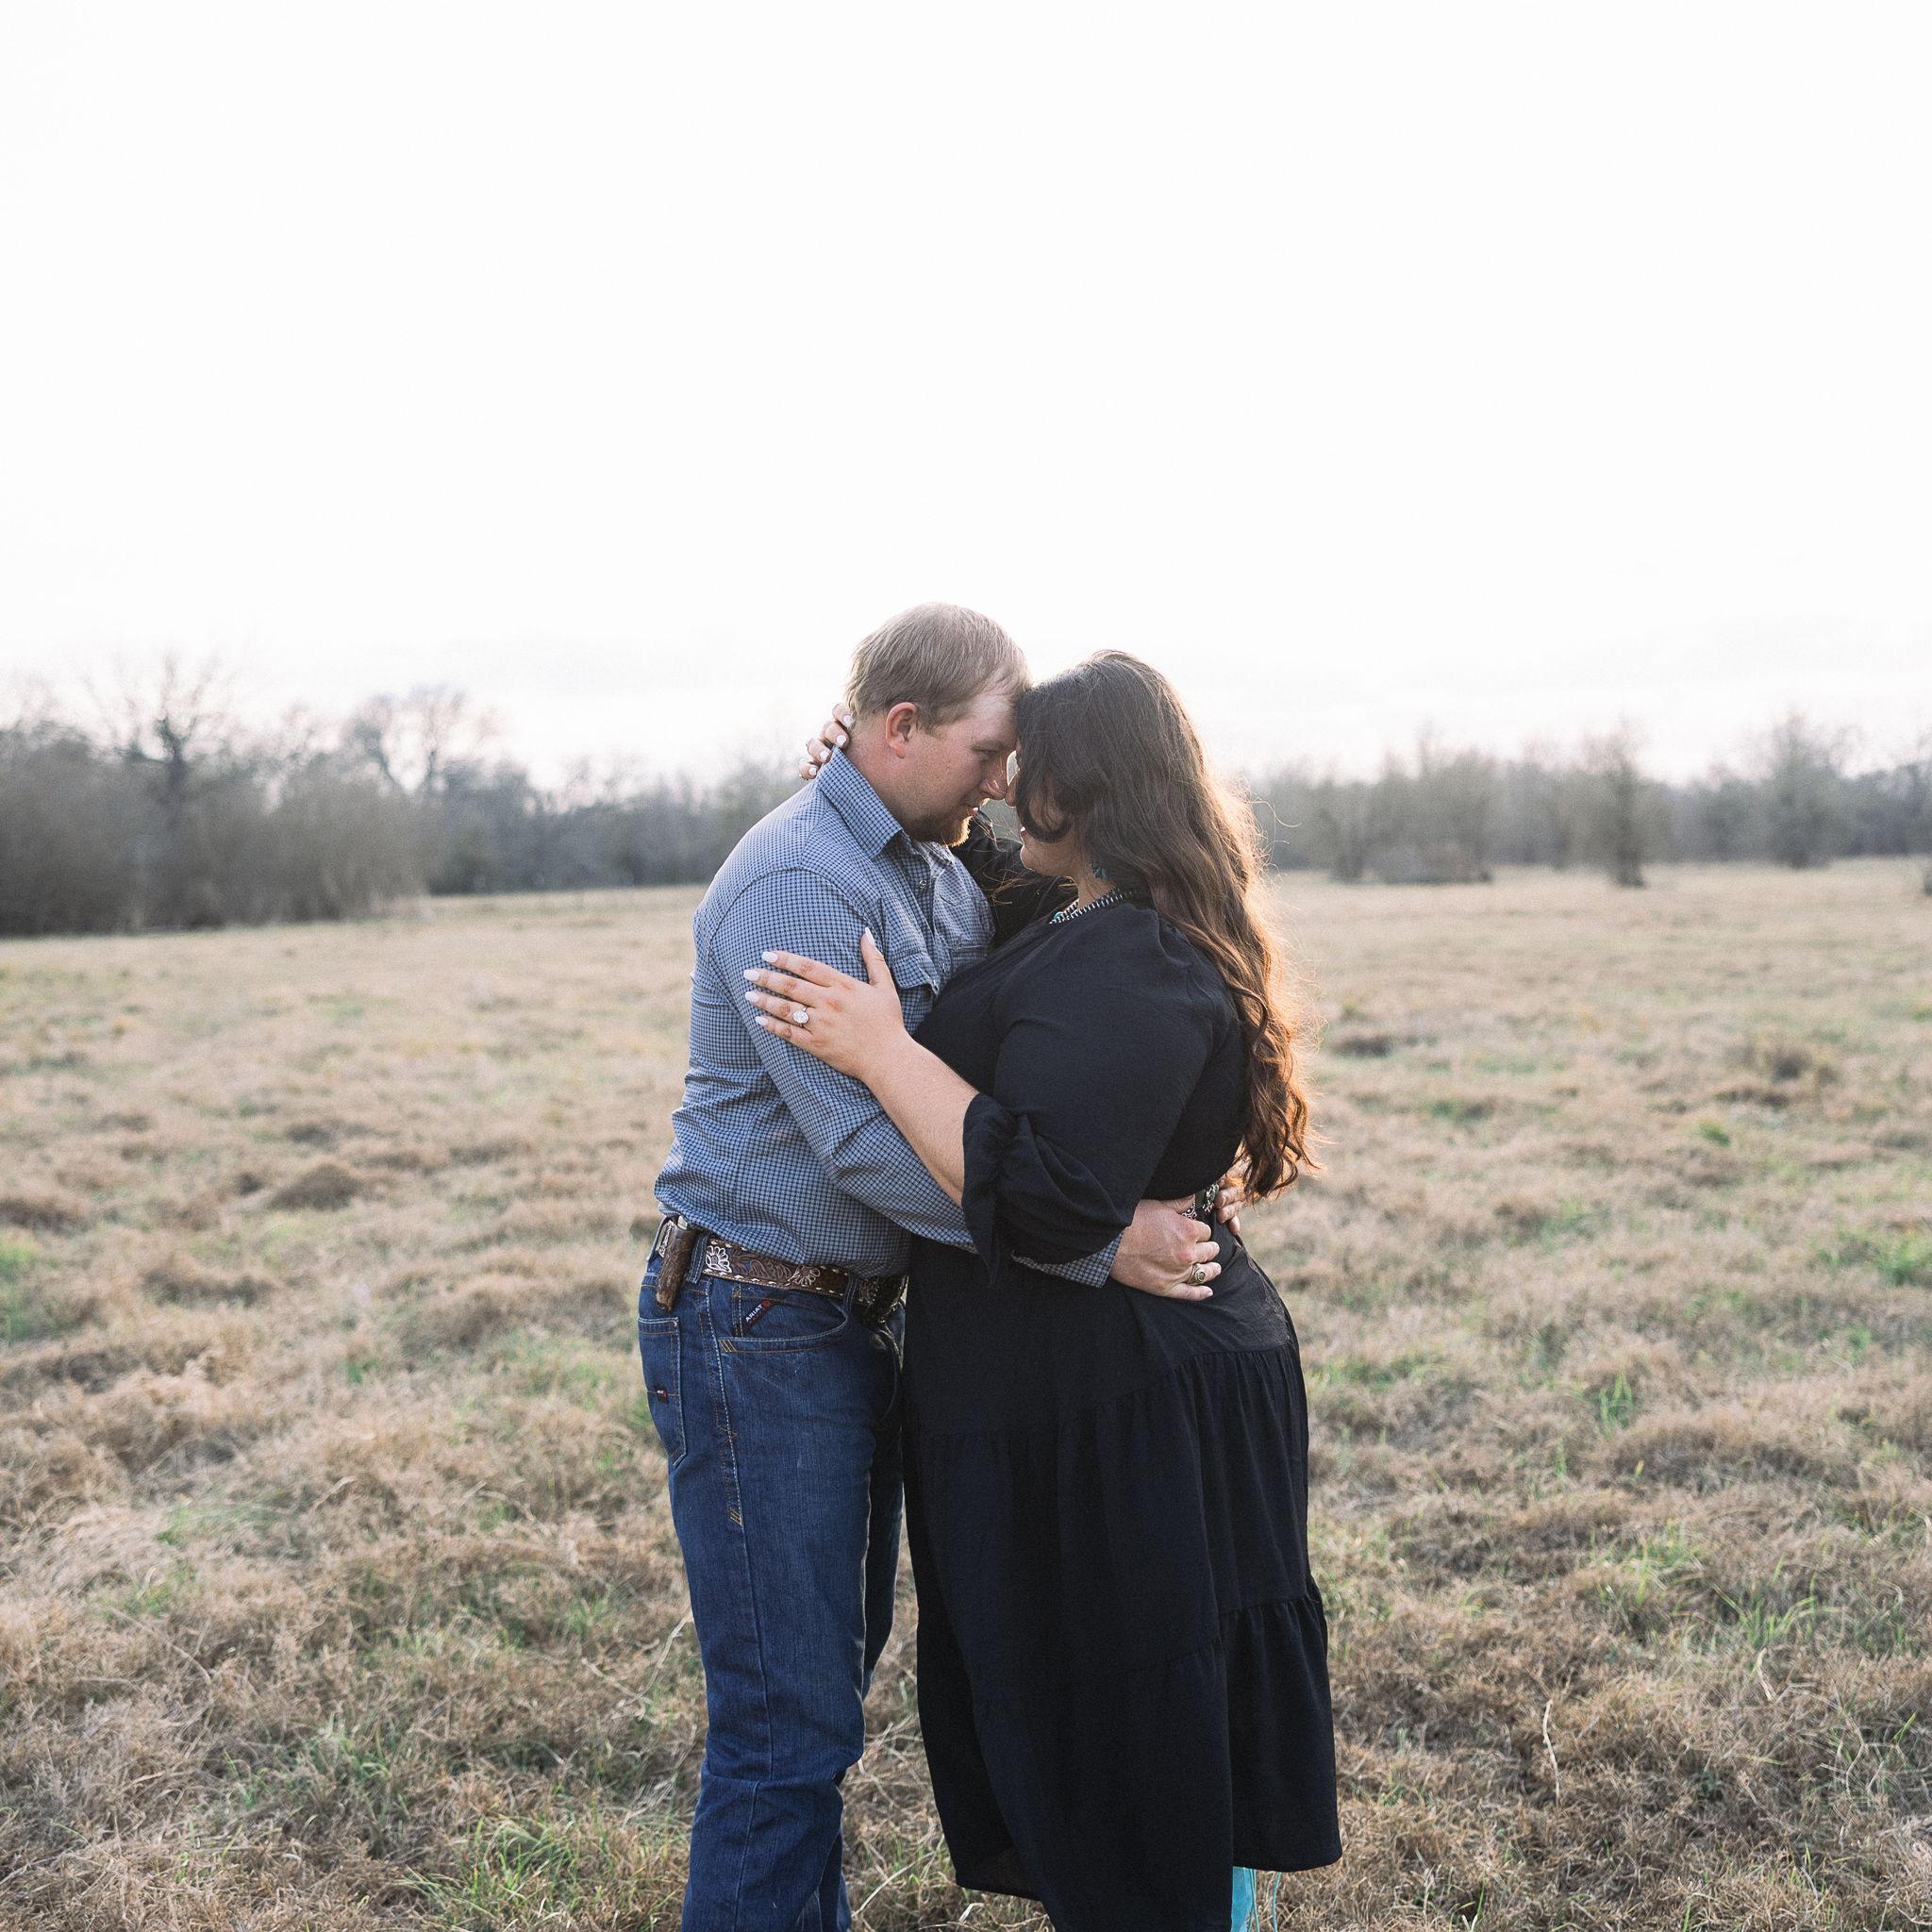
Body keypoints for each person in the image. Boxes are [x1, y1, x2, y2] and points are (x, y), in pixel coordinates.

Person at [639, 605, 1241, 1932]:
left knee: (820, 1705)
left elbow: (1039, 971)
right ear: (902, 728)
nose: (1006, 782)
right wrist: (1095, 1244)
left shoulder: (933, 859)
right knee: (786, 1729)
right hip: (758, 1319)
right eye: (988, 752)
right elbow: (865, 1146)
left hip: (856, 1324)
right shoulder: (800, 882)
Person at [742, 650, 1343, 1931]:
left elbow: (1054, 1195)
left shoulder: (1131, 953)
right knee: (1157, 1716)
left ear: (1091, 784)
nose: (1008, 790)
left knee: (1143, 1723)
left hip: (1120, 1398)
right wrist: (864, 778)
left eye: (1030, 768)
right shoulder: (1087, 918)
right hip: (1113, 1377)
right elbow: (977, 903)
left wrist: (882, 1050)